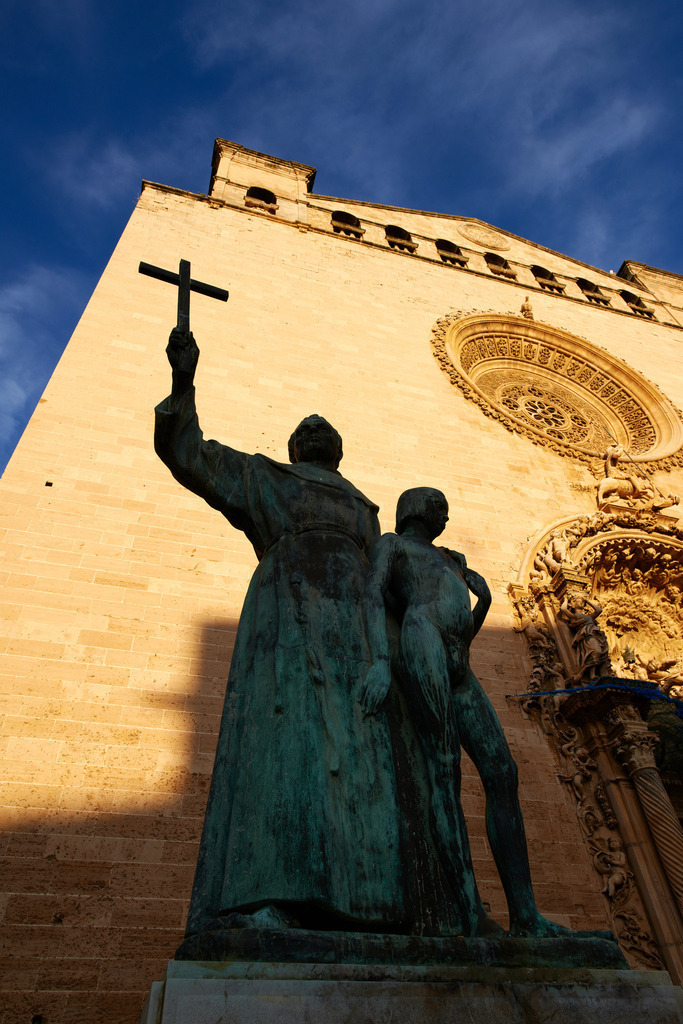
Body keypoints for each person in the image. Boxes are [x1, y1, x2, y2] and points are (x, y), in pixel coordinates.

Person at [155, 327, 404, 940]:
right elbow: (189, 453)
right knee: (285, 741)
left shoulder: (367, 510)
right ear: (295, 447)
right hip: (286, 615)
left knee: (361, 757)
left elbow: (388, 581)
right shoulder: (265, 477)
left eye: (325, 427)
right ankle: (266, 894)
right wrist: (184, 378)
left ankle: (364, 905)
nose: (316, 426)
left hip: (355, 627)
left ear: (337, 449)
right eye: (307, 427)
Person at [360, 486, 575, 937]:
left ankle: (527, 916)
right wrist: (381, 662)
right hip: (422, 643)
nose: (447, 516)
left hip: (459, 660)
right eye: (440, 507)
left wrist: (486, 604)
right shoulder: (392, 544)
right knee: (445, 770)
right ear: (417, 508)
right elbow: (375, 597)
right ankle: (467, 911)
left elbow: (466, 628)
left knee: (502, 770)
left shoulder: (452, 559)